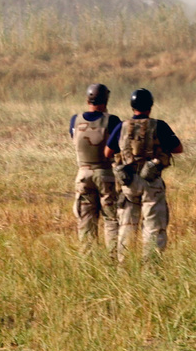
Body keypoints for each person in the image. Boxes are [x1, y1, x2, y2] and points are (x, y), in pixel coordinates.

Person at [104, 88, 183, 259]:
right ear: (151, 106)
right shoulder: (159, 125)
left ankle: (123, 267)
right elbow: (178, 148)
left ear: (132, 106)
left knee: (126, 226)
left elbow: (107, 152)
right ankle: (151, 268)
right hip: (152, 183)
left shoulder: (121, 126)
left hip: (128, 183)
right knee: (154, 227)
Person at [70, 84, 121, 252]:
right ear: (106, 100)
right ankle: (113, 258)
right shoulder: (111, 121)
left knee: (85, 220)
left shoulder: (75, 120)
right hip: (105, 174)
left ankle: (88, 260)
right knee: (111, 219)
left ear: (87, 99)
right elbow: (117, 146)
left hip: (83, 175)